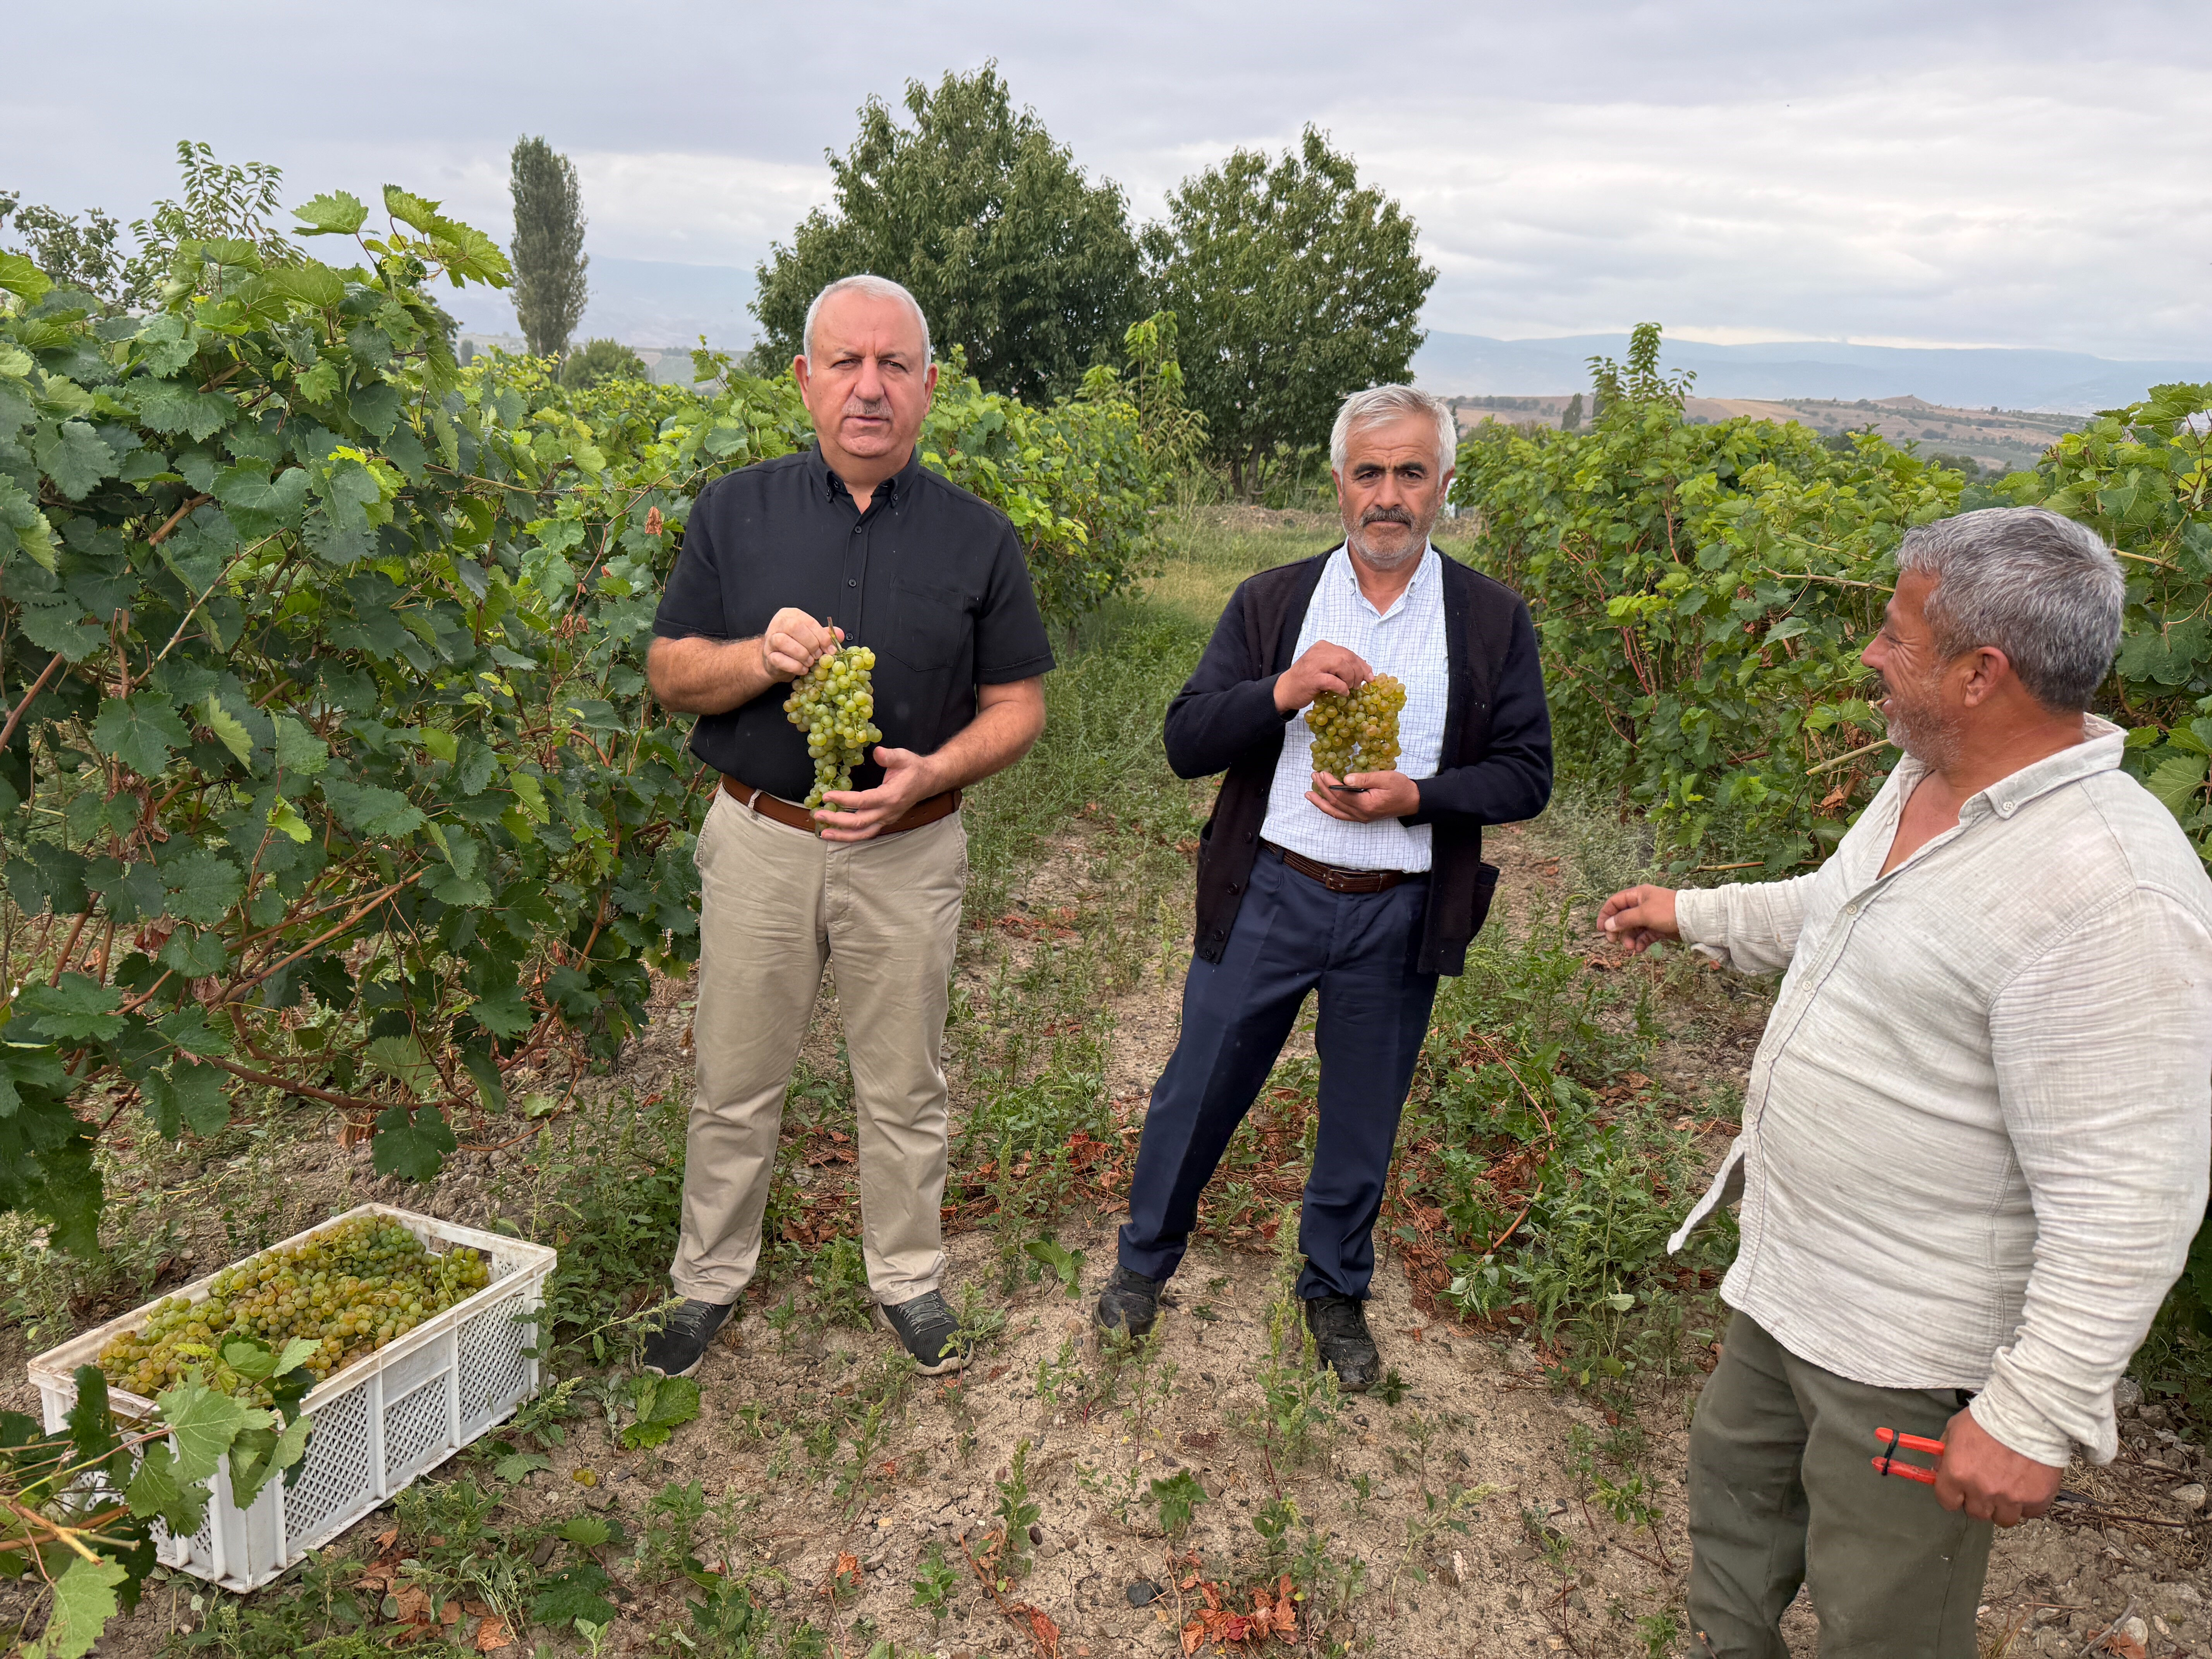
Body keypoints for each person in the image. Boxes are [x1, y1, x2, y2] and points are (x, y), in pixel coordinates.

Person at [1597, 507, 2212, 1657]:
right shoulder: (1929, 774)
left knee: (1884, 1625)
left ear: (1983, 674)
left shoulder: (2115, 894)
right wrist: (1693, 914)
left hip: (1908, 1357)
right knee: (1731, 1535)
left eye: (1896, 636)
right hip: (1787, 1283)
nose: (1872, 657)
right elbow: (1839, 909)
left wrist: (2032, 1411)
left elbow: (2132, 1194)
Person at [1096, 385, 1554, 1389]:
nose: (1388, 494)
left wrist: (1416, 795)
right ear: (1339, 483)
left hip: (1398, 910)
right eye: (1369, 472)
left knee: (1362, 1116)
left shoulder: (1487, 618)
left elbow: (1528, 772)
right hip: (1270, 890)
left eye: (1411, 473)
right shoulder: (1273, 603)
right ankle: (1142, 1263)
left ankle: (1335, 1289)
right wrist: (1284, 690)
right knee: (1198, 1087)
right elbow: (1185, 739)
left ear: (1442, 486)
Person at [641, 274, 1056, 1379]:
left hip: (911, 851)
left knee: (904, 1080)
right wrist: (755, 660)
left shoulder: (982, 538)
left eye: (895, 366)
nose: (870, 388)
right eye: (847, 363)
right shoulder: (735, 511)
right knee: (733, 1073)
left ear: (928, 386)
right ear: (806, 379)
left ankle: (908, 1276)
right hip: (761, 840)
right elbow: (671, 672)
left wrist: (933, 772)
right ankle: (707, 1278)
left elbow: (1020, 706)